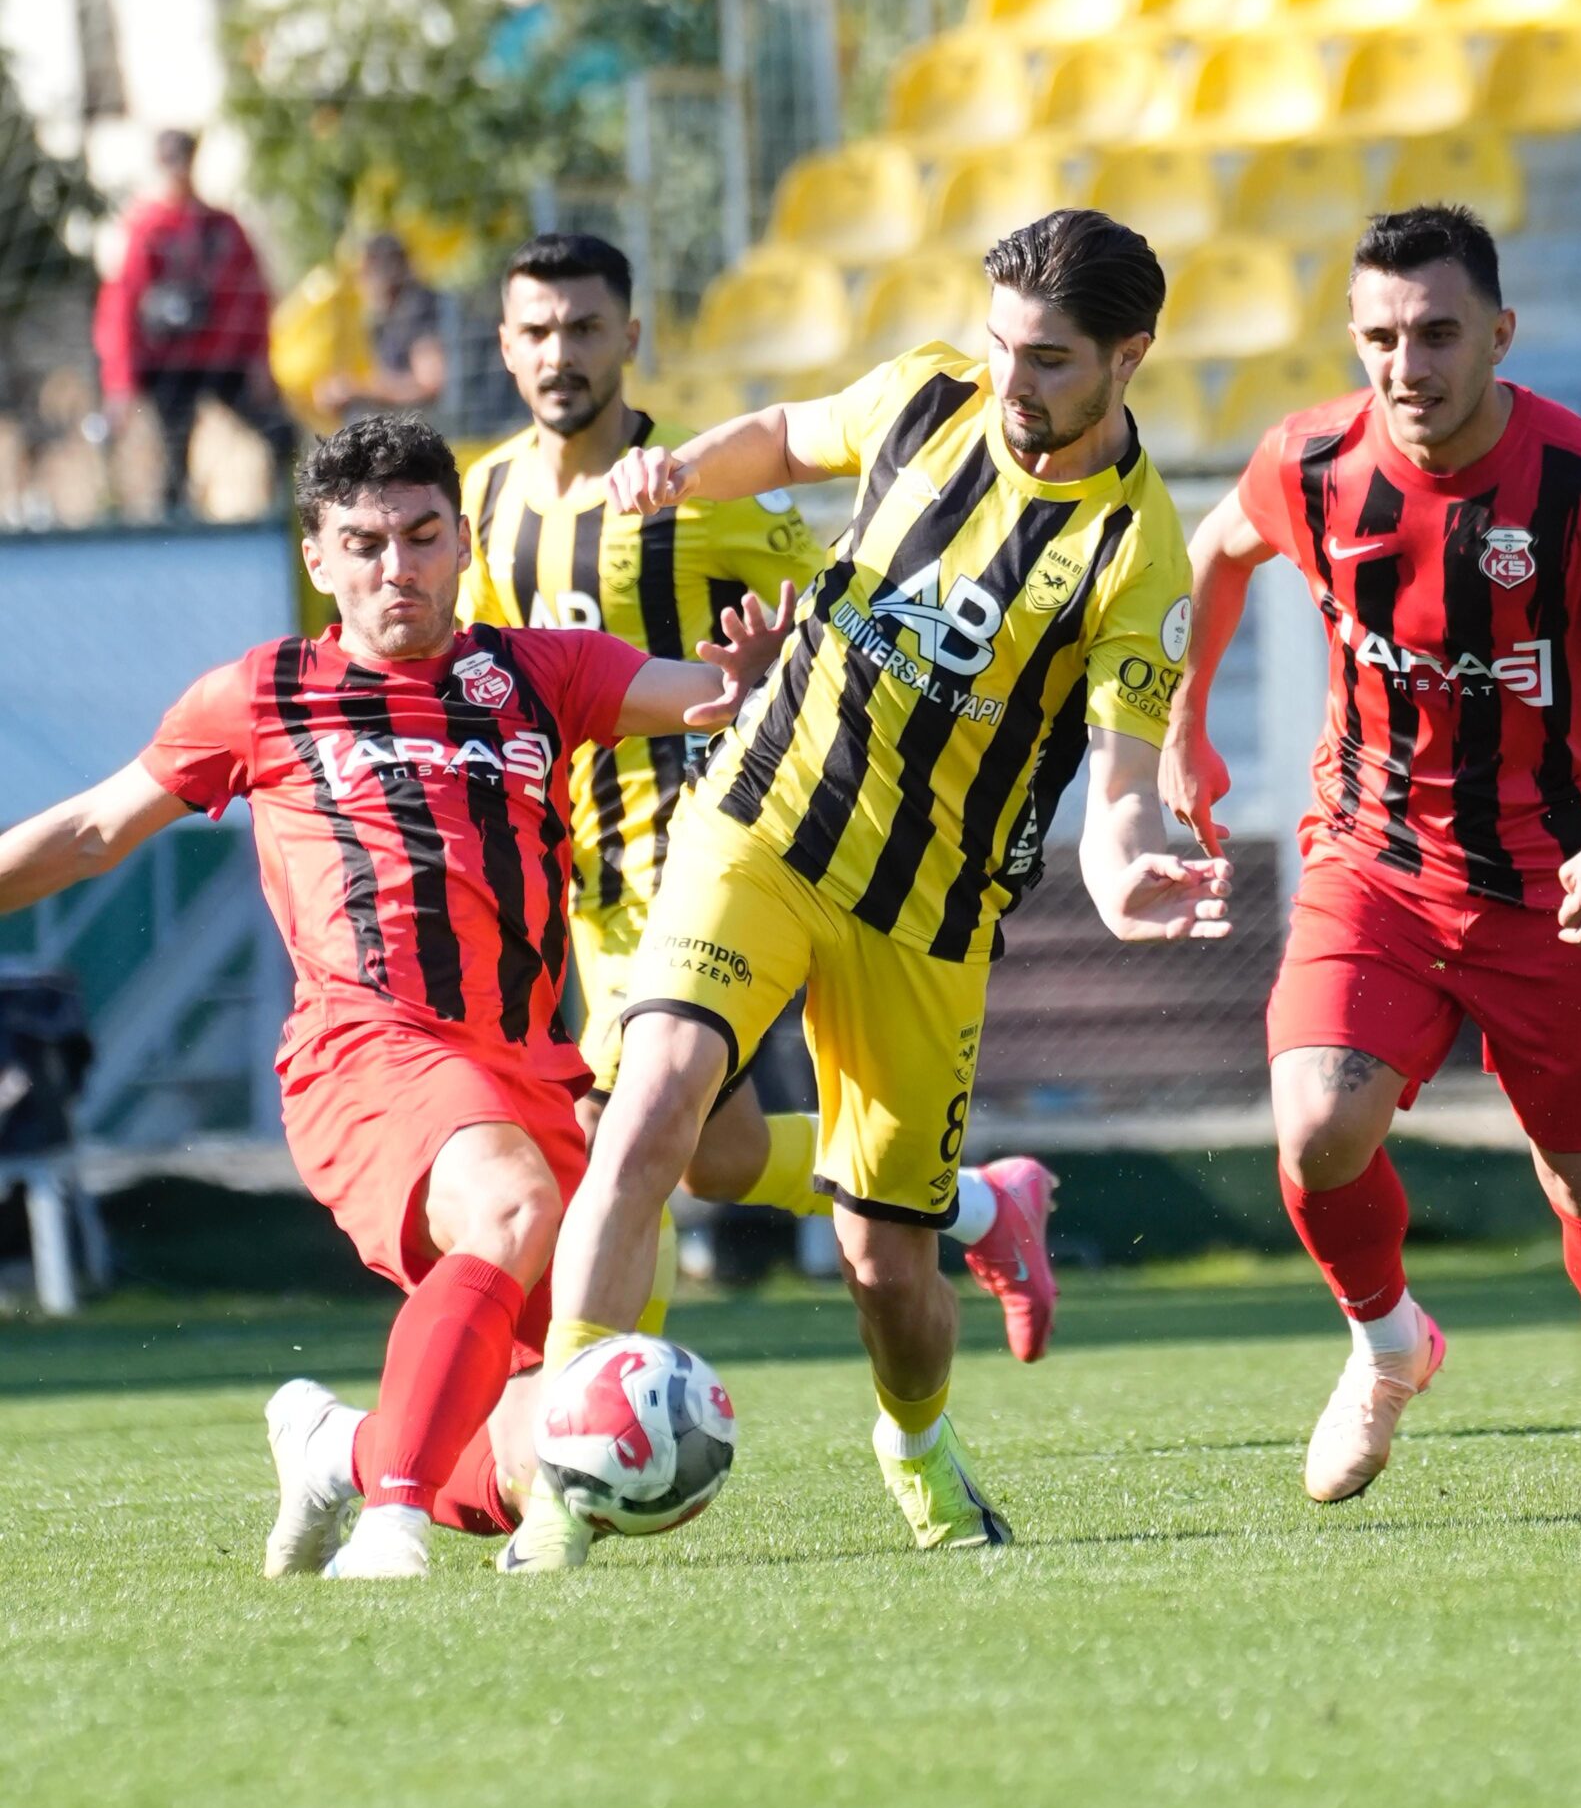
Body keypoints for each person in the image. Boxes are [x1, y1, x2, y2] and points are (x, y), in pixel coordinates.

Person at [499, 206, 1232, 1574]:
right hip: (761, 825)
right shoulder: (927, 393)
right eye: (1004, 344)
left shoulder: (1137, 553)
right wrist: (680, 471)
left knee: (885, 1266)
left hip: (926, 919)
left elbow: (1121, 773)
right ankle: (562, 1484)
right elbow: (788, 436)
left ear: (1127, 357)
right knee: (646, 1111)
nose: (1013, 380)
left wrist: (1124, 857)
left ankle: (918, 1447)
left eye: (1051, 360)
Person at [0, 412, 789, 1580]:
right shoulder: (264, 692)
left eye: (422, 537)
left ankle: (340, 1451)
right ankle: (390, 1527)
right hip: (365, 1051)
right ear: (318, 559)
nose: (396, 568)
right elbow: (90, 830)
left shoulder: (542, 670)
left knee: (542, 1453)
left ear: (462, 542)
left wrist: (753, 676)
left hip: (530, 1069)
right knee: (511, 1206)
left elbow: (709, 696)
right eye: (364, 544)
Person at [1161, 204, 1581, 1503]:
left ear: (1500, 335)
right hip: (1371, 861)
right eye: (1380, 337)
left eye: (1437, 334)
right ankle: (1386, 1345)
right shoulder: (1308, 463)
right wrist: (1181, 727)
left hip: (1556, 887)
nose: (1406, 366)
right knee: (1314, 1129)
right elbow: (1215, 553)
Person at [455, 230, 1064, 1355]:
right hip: (579, 877)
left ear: (630, 338)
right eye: (536, 330)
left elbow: (843, 611)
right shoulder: (484, 496)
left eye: (585, 328)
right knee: (716, 1157)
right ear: (503, 344)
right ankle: (982, 1205)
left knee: (614, 1131)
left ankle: (593, 1403)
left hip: (691, 853)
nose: (559, 353)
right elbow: (488, 679)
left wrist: (773, 663)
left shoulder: (697, 491)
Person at [94, 128, 295, 513]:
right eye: (170, 160)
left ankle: (285, 516)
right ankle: (172, 533)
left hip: (224, 359)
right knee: (172, 459)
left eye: (183, 158)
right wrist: (119, 381)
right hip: (167, 364)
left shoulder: (224, 227)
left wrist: (260, 360)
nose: (178, 169)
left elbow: (254, 296)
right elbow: (119, 306)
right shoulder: (145, 229)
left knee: (280, 433)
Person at [313, 232, 447, 422]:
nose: (359, 285)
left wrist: (358, 390)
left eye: (363, 274)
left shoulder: (418, 309)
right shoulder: (387, 318)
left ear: (384, 271)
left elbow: (429, 386)